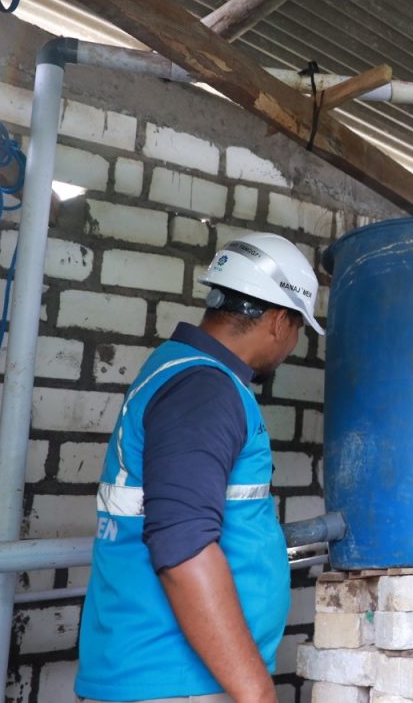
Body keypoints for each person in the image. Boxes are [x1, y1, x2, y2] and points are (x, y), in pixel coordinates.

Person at [75, 232, 326, 703]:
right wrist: (257, 692)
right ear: (279, 321)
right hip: (174, 681)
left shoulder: (181, 371)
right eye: (298, 329)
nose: (292, 345)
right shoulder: (204, 390)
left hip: (173, 676)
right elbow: (183, 545)